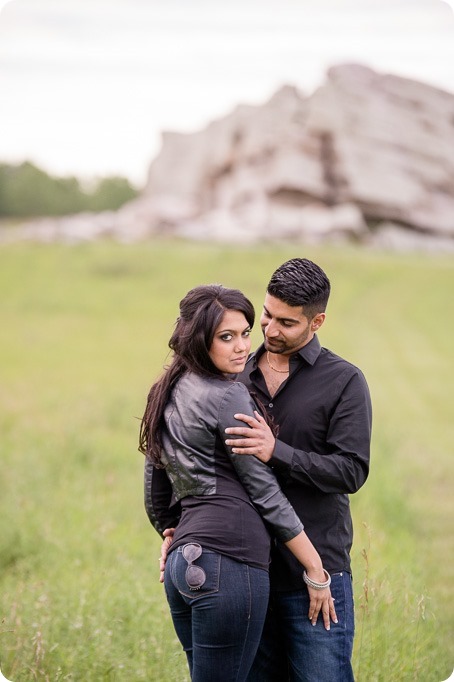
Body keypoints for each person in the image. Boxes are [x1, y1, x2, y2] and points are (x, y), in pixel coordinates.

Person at [139, 284, 337, 682]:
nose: (242, 347)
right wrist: (316, 568)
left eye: (246, 332)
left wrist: (172, 534)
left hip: (183, 567)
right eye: (226, 337)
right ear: (198, 340)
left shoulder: (165, 390)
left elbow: (155, 490)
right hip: (229, 564)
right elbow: (265, 494)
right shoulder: (229, 395)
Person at [222, 258, 372, 682]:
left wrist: (277, 451)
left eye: (286, 323)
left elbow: (351, 471)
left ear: (317, 321)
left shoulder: (344, 381)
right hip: (246, 573)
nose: (269, 330)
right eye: (267, 315)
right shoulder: (236, 376)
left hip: (318, 574)